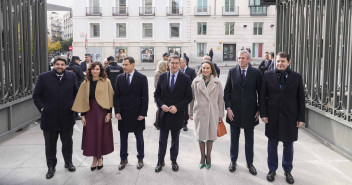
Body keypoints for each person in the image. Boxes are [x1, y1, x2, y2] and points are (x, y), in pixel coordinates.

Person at [260, 52, 305, 184]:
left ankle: (287, 170)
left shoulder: (296, 77)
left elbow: (301, 99)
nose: (280, 63)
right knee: (272, 144)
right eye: (278, 61)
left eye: (283, 61)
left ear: (289, 62)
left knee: (288, 145)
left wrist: (300, 118)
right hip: (272, 116)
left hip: (290, 117)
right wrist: (263, 114)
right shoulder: (268, 75)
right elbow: (262, 96)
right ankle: (272, 169)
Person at [33, 56, 78, 179]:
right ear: (54, 65)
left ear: (66, 65)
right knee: (50, 145)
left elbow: (76, 93)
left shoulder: (72, 77)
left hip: (67, 117)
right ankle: (51, 167)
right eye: (57, 64)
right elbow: (36, 95)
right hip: (49, 118)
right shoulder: (43, 77)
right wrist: (43, 108)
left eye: (62, 64)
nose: (59, 66)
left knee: (67, 142)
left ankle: (68, 162)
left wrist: (73, 107)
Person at [224, 50, 261, 175]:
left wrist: (260, 109)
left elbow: (261, 93)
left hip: (251, 112)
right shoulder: (232, 72)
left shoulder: (256, 73)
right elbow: (227, 91)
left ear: (249, 60)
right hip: (234, 112)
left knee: (249, 139)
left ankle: (250, 163)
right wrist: (228, 108)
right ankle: (233, 161)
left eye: (243, 58)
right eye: (239, 58)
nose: (240, 60)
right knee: (234, 139)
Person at [71, 62, 114, 171]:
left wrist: (109, 113)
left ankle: (99, 158)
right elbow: (81, 100)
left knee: (101, 135)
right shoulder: (85, 83)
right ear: (89, 71)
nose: (95, 71)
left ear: (101, 70)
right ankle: (95, 158)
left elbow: (110, 97)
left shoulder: (106, 82)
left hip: (102, 111)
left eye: (97, 69)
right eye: (93, 69)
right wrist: (83, 115)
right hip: (89, 112)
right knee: (91, 136)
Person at [154, 55, 192, 172]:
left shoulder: (185, 78)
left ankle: (173, 160)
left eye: (177, 63)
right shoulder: (162, 77)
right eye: (172, 63)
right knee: (162, 140)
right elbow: (157, 95)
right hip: (164, 114)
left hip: (177, 114)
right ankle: (160, 161)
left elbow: (188, 97)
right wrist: (161, 105)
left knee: (175, 140)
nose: (175, 65)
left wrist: (178, 107)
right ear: (168, 64)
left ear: (180, 64)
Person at [114, 57, 149, 170]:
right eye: (123, 64)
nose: (123, 67)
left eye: (126, 65)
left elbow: (145, 97)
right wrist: (117, 111)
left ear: (133, 65)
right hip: (123, 113)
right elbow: (116, 96)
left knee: (139, 137)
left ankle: (140, 158)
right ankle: (123, 158)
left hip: (137, 113)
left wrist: (143, 113)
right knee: (123, 137)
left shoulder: (142, 78)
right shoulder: (119, 78)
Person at [189, 60, 224, 170]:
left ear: (211, 69)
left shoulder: (217, 82)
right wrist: (190, 112)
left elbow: (220, 99)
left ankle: (208, 157)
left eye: (207, 68)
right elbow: (191, 98)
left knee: (210, 135)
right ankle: (201, 158)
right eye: (203, 68)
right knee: (200, 136)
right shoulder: (195, 81)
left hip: (212, 112)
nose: (205, 70)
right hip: (199, 111)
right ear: (201, 69)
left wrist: (220, 114)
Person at [179, 57, 196, 131]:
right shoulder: (177, 70)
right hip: (178, 94)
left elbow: (194, 81)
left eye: (181, 62)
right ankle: (179, 123)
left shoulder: (191, 71)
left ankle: (185, 124)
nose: (179, 64)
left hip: (186, 93)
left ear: (185, 63)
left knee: (185, 109)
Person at [153, 60, 168, 130]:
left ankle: (158, 123)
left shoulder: (164, 73)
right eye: (166, 65)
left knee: (160, 109)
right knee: (159, 109)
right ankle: (157, 123)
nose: (167, 67)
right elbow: (157, 85)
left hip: (163, 95)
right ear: (163, 66)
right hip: (160, 95)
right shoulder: (158, 73)